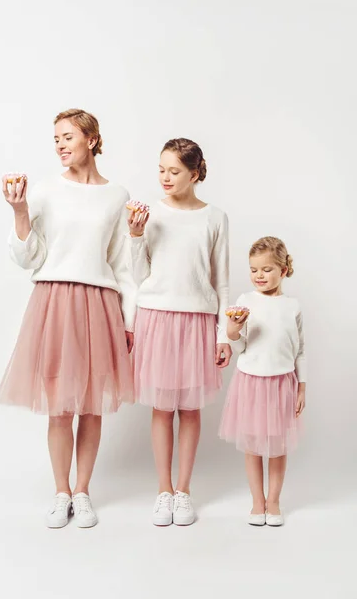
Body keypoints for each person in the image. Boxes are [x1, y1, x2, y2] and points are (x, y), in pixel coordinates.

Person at [0, 109, 136, 529]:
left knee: (91, 407)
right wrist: (20, 210)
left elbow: (123, 266)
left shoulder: (117, 196)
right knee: (60, 407)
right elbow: (26, 256)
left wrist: (128, 322)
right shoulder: (45, 191)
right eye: (55, 137)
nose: (59, 144)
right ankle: (61, 492)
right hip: (55, 300)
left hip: (99, 302)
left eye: (68, 136)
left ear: (92, 139)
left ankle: (83, 492)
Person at [127, 138, 232, 526]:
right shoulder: (148, 213)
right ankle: (163, 491)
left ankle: (184, 491)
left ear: (195, 173)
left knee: (189, 409)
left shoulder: (215, 217)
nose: (165, 178)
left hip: (197, 319)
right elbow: (137, 276)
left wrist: (223, 335)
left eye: (174, 171)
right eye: (161, 170)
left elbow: (220, 280)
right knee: (161, 407)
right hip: (156, 315)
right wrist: (135, 236)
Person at [219, 236, 306, 526]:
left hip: (282, 383)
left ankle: (274, 501)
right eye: (254, 269)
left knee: (278, 446)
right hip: (251, 382)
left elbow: (300, 350)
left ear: (283, 270)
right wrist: (232, 331)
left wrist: (302, 384)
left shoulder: (292, 306)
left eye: (267, 269)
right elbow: (241, 346)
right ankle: (257, 501)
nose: (259, 275)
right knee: (254, 445)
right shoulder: (245, 302)